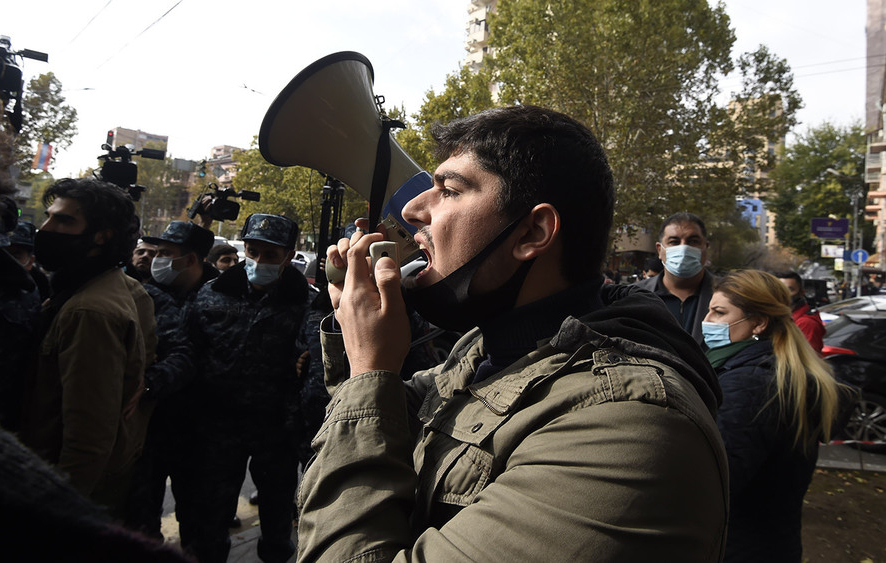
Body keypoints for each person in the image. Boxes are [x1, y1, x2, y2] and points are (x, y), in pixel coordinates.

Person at [298, 106, 728, 561]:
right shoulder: (487, 348)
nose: (412, 210)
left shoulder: (630, 427)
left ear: (532, 232)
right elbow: (388, 417)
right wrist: (359, 333)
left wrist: (370, 368)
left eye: (448, 190)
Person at [19, 177, 156, 518]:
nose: (46, 227)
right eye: (49, 216)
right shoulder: (113, 286)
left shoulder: (89, 311)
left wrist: (57, 512)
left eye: (64, 220)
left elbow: (88, 438)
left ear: (101, 236)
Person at [188, 213, 322, 563]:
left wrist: (305, 359)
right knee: (211, 518)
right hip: (218, 427)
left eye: (270, 255)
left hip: (277, 430)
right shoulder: (212, 293)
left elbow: (317, 359)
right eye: (253, 250)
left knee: (278, 517)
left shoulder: (307, 302)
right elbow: (190, 348)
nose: (258, 261)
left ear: (289, 256)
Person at [702, 270, 846, 562]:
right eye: (709, 310)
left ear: (758, 322)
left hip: (739, 548)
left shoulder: (750, 384)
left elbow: (713, 486)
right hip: (769, 543)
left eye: (719, 312)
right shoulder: (769, 370)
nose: (707, 322)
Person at [125, 220, 215, 543]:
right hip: (151, 427)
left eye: (164, 253)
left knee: (200, 524)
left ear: (191, 260)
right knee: (141, 522)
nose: (156, 259)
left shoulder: (222, 296)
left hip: (201, 432)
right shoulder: (143, 294)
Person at [635, 212, 714, 347]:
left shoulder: (728, 296)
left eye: (693, 242)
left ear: (705, 248)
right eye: (674, 242)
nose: (683, 248)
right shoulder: (635, 296)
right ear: (660, 250)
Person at [776, 271, 826, 354]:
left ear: (801, 293)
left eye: (789, 289)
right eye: (780, 289)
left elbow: (808, 359)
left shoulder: (806, 323)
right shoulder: (782, 317)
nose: (783, 294)